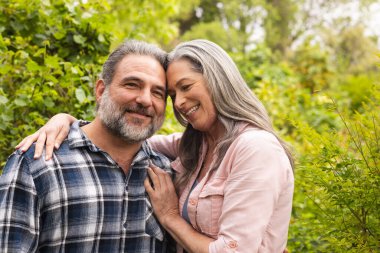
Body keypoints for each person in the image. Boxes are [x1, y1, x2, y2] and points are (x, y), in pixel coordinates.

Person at [17, 39, 295, 253]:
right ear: (101, 90)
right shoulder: (195, 146)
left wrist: (171, 216)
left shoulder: (255, 148)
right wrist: (66, 122)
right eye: (173, 94)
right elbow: (125, 134)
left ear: (218, 80)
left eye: (185, 87)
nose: (181, 103)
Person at [0, 40, 174, 253]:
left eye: (158, 92)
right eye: (132, 84)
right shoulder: (36, 163)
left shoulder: (167, 173)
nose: (145, 99)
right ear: (101, 91)